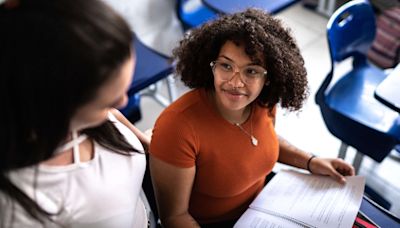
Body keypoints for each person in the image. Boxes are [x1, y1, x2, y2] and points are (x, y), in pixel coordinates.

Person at [149, 8, 355, 228]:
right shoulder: (178, 127)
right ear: (211, 65)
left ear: (268, 77)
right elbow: (175, 218)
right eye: (226, 66)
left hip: (266, 208)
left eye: (251, 71)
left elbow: (262, 140)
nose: (236, 82)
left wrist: (310, 161)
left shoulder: (263, 101)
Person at [0, 0, 153, 227]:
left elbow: (112, 118)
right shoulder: (21, 208)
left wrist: (145, 142)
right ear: (55, 107)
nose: (124, 102)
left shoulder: (87, 115)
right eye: (107, 102)